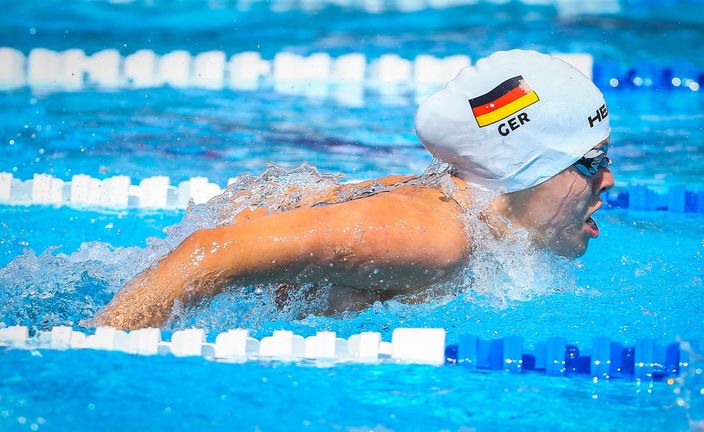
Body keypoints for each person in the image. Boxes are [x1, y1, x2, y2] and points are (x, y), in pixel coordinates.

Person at [91, 49, 615, 330]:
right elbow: (207, 253)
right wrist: (99, 354)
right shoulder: (434, 237)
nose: (608, 180)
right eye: (591, 162)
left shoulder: (456, 204)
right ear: (522, 169)